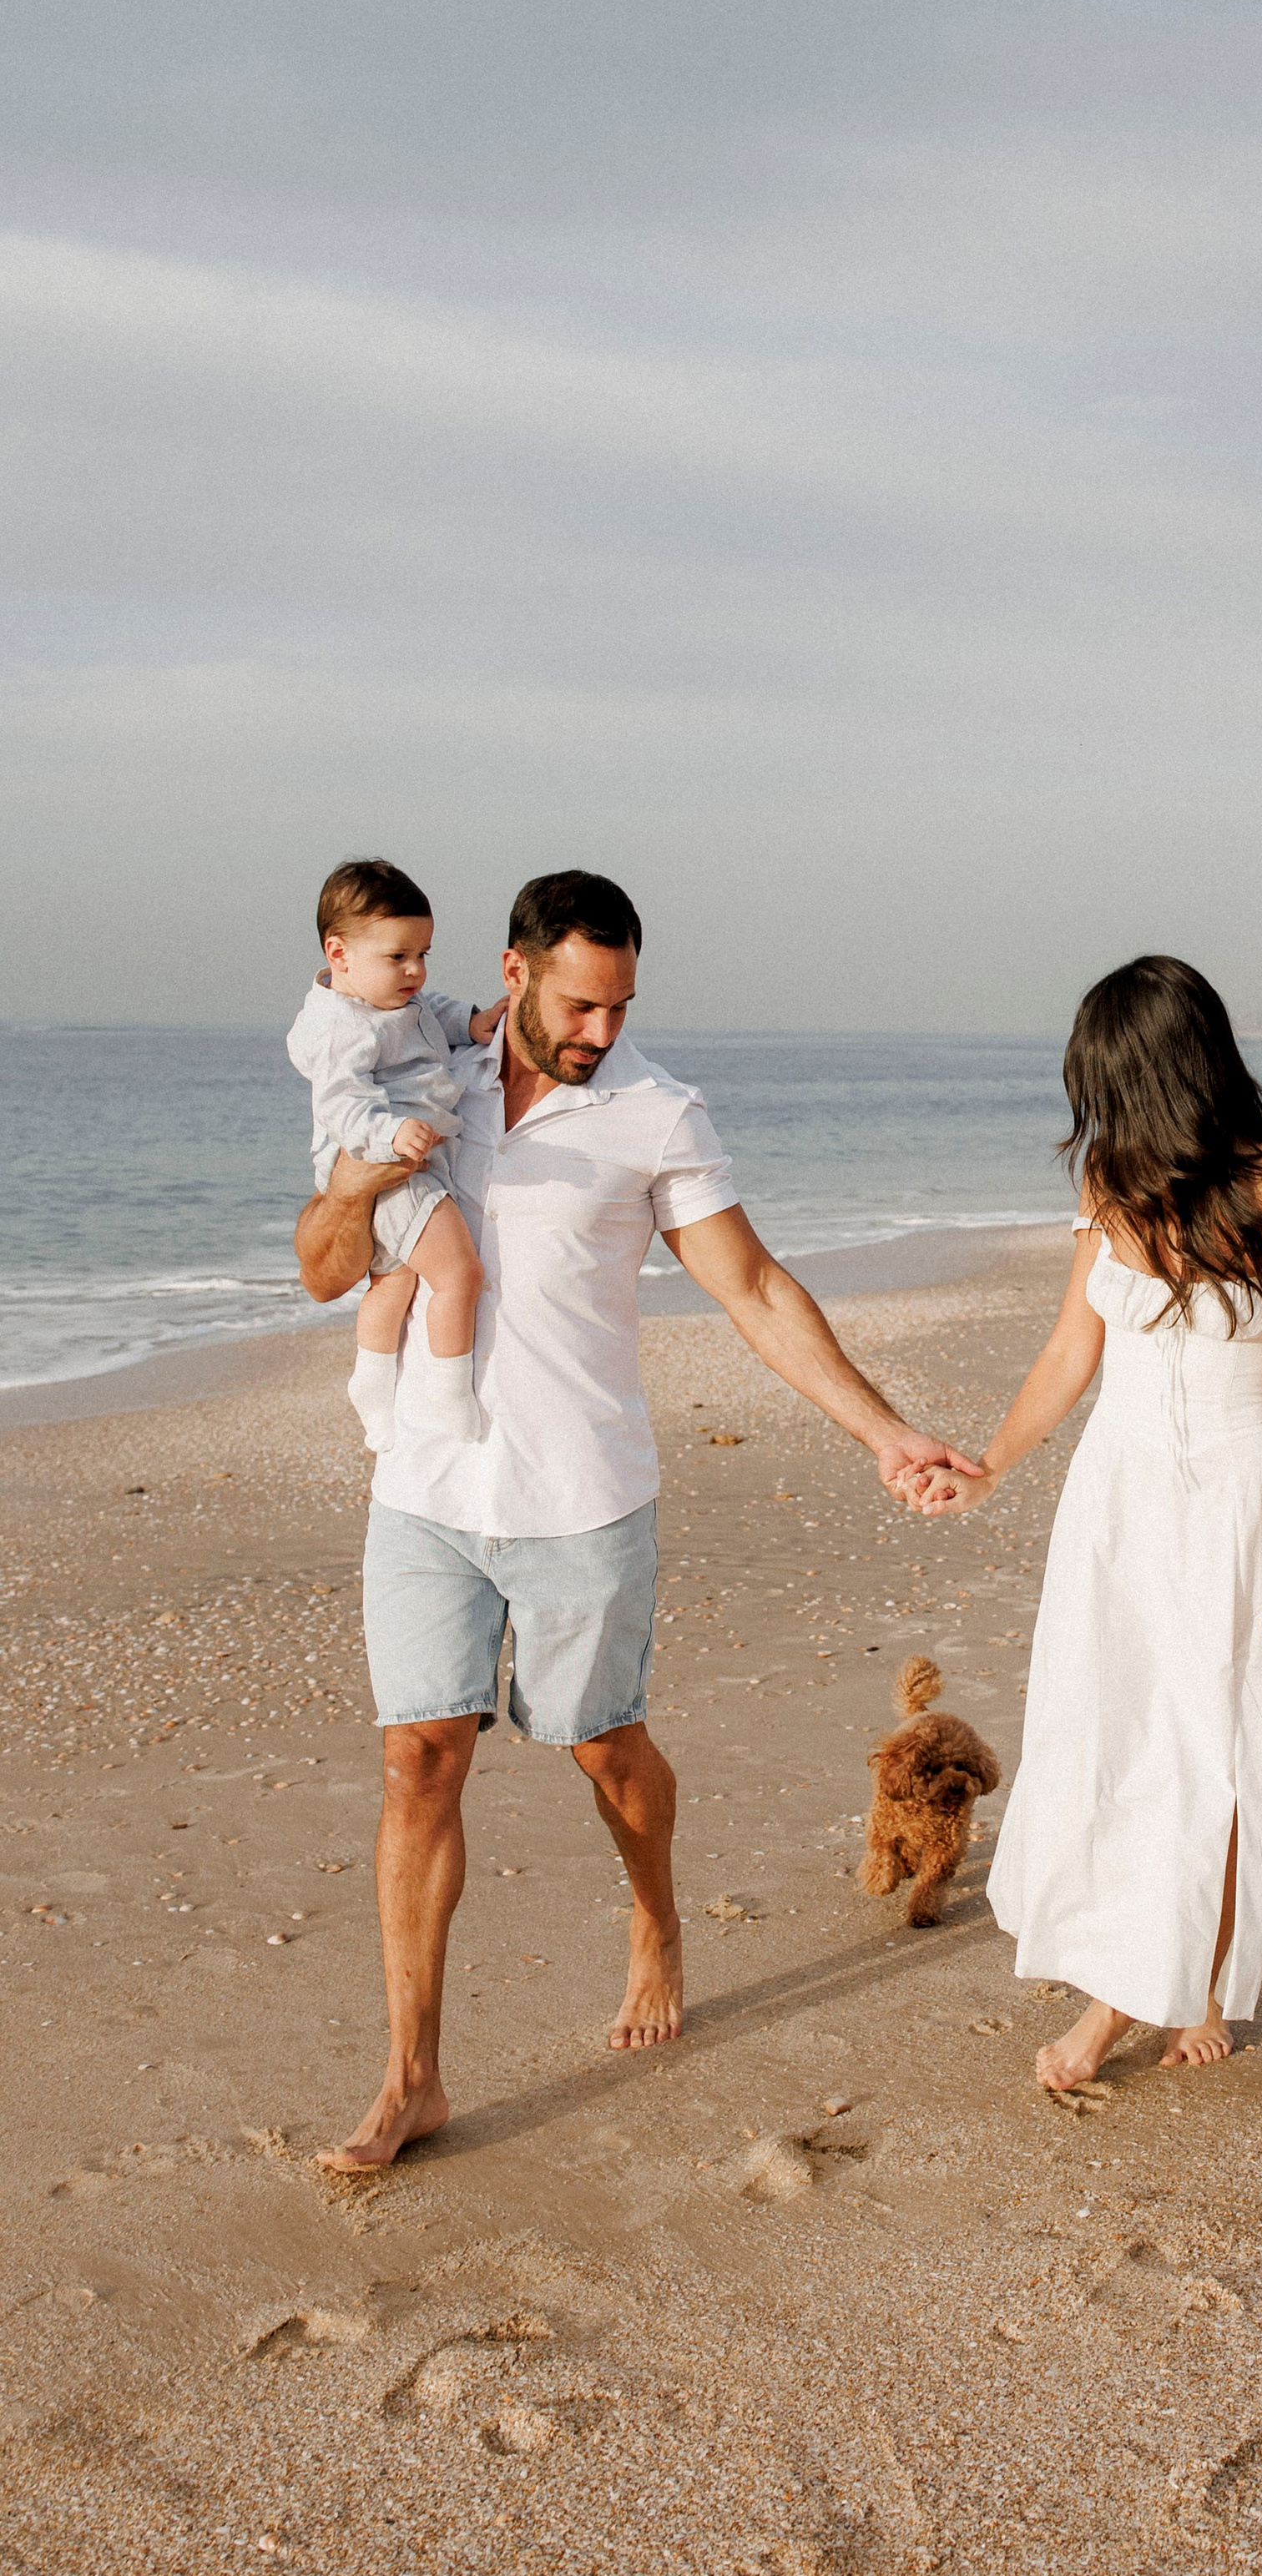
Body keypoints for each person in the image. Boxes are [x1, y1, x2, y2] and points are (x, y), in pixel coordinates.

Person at [294, 867, 974, 2173]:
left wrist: (884, 1431)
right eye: (578, 1002)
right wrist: (359, 1178)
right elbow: (328, 1265)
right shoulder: (410, 1081)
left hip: (581, 1497)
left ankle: (655, 1915)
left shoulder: (656, 1113)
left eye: (619, 1006)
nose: (600, 1030)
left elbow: (755, 1285)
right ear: (512, 971)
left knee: (606, 1753)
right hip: (427, 1491)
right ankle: (412, 2076)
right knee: (417, 1762)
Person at [918, 955, 1262, 2089]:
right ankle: (1182, 1976)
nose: (1095, 1109)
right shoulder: (1112, 1184)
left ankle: (1116, 2008)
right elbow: (1074, 1348)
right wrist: (991, 1465)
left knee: (1210, 1761)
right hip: (1116, 1509)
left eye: (1109, 1083)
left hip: (1234, 1515)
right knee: (1117, 1745)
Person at [287, 857, 502, 1453]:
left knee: (395, 1278)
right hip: (388, 1165)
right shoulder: (341, 1028)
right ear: (340, 954)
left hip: (409, 1158)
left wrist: (475, 1022)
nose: (415, 970)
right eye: (398, 957)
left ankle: (372, 1385)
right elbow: (341, 1105)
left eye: (424, 953)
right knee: (459, 1273)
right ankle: (451, 1390)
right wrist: (389, 1133)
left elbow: (433, 1011)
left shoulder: (394, 1000)